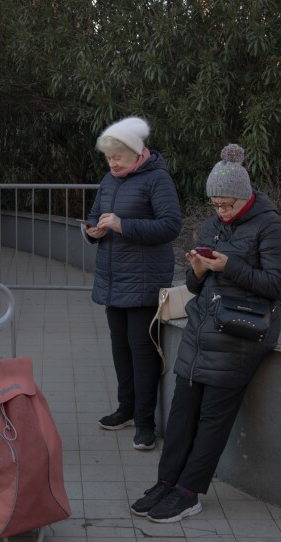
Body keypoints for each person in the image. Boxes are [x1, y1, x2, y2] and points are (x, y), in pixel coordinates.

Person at [130, 143, 281, 522]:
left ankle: (188, 493)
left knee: (212, 421)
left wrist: (229, 265)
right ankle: (166, 482)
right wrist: (199, 270)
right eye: (215, 205)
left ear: (244, 196)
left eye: (226, 205)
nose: (220, 211)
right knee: (181, 413)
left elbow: (278, 283)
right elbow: (194, 282)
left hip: (239, 334)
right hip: (202, 328)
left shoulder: (269, 226)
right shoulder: (212, 226)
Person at [84, 116, 182, 451]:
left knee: (143, 354)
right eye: (108, 157)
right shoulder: (109, 180)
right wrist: (91, 231)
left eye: (117, 157)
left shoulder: (157, 179)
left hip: (144, 281)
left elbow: (171, 226)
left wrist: (125, 226)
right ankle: (125, 410)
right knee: (120, 349)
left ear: (136, 152)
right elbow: (95, 214)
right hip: (113, 280)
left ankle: (145, 422)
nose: (112, 162)